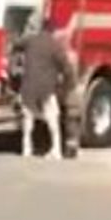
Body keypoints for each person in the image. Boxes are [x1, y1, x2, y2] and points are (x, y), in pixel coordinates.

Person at [16, 16, 75, 159]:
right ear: (53, 31)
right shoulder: (55, 46)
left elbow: (16, 44)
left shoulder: (30, 40)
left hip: (29, 86)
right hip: (47, 88)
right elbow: (67, 68)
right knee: (52, 119)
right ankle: (56, 150)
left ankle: (27, 149)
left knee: (28, 120)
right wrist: (68, 85)